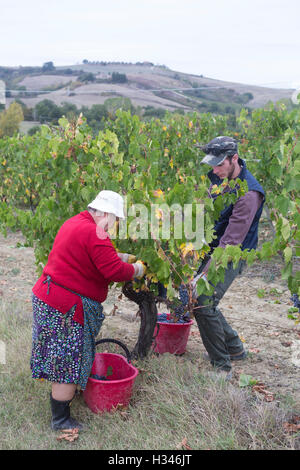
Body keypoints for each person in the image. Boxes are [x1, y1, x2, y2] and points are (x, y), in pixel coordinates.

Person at [30, 190, 146, 430]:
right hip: (64, 307)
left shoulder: (76, 223)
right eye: (115, 219)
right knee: (67, 361)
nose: (114, 225)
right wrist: (136, 269)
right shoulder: (96, 232)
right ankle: (61, 420)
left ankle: (62, 403)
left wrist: (124, 256)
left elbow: (98, 255)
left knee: (60, 358)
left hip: (50, 298)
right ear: (105, 213)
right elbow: (113, 270)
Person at [192, 136, 265, 380]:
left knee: (202, 302)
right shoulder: (220, 174)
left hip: (234, 252)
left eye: (219, 165)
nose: (214, 170)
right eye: (211, 165)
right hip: (216, 246)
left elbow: (231, 241)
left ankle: (221, 366)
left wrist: (203, 274)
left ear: (235, 159)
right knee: (203, 300)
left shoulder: (249, 194)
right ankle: (234, 347)